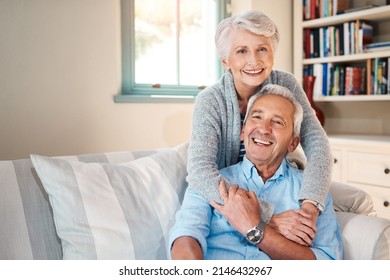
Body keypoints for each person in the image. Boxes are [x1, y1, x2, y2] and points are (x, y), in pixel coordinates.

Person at [186, 10, 333, 242]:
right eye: (242, 51)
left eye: (262, 49)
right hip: (232, 190)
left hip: (280, 182)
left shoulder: (286, 83)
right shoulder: (210, 100)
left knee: (351, 199)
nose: (254, 61)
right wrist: (265, 217)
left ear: (273, 53)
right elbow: (199, 172)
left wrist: (310, 207)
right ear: (226, 60)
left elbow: (317, 142)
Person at [170, 85, 343, 260]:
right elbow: (186, 238)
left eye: (277, 122)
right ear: (243, 131)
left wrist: (255, 228)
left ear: (293, 143)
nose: (264, 128)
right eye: (257, 117)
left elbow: (325, 260)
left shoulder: (311, 194)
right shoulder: (210, 182)